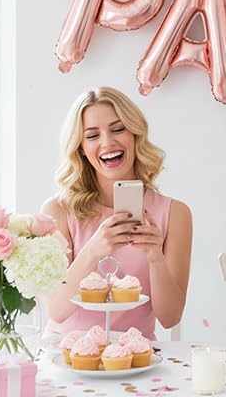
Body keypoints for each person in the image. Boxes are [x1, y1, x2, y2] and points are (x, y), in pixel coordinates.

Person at [42, 87, 192, 340]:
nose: (107, 142)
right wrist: (93, 250)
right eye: (92, 135)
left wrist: (155, 257)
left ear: (135, 134)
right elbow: (56, 311)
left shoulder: (175, 214)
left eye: (118, 129)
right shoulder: (58, 211)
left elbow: (170, 317)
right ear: (81, 148)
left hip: (136, 353)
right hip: (67, 351)